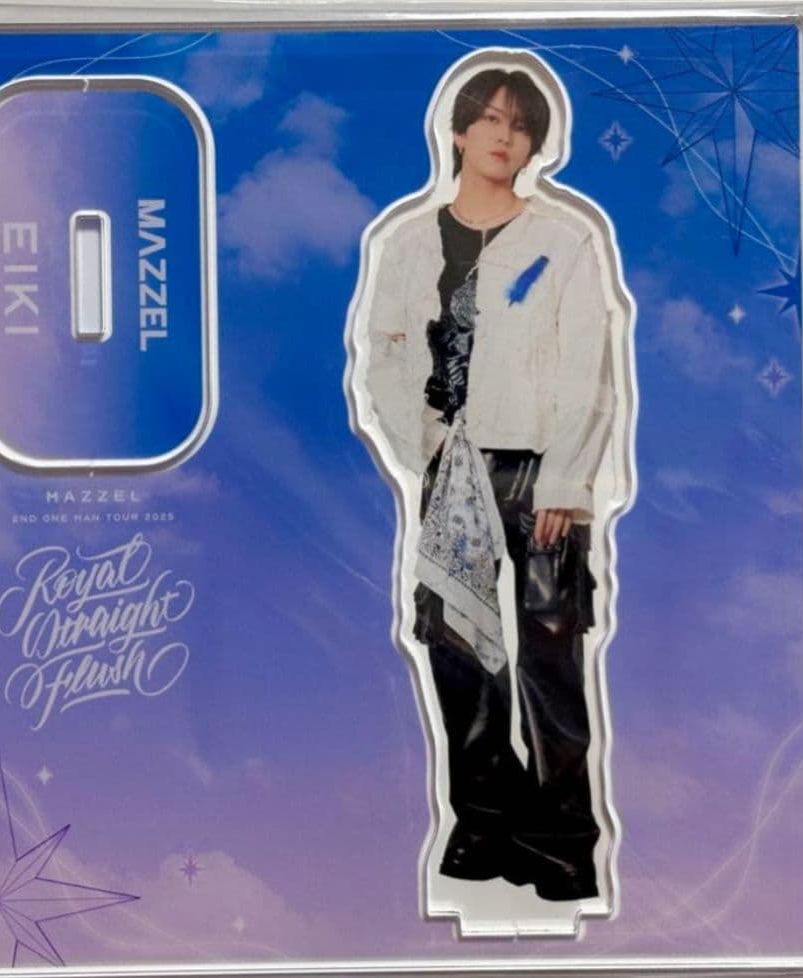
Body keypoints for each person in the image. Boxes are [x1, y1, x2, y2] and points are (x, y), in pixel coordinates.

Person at [358, 66, 616, 903]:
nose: (505, 136)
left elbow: (587, 365)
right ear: (460, 131)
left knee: (549, 650)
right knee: (456, 646)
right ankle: (484, 820)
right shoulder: (409, 243)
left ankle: (562, 840)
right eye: (491, 120)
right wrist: (424, 446)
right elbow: (385, 353)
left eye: (521, 125)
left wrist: (566, 481)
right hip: (453, 467)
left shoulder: (562, 241)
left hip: (539, 470)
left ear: (535, 144)